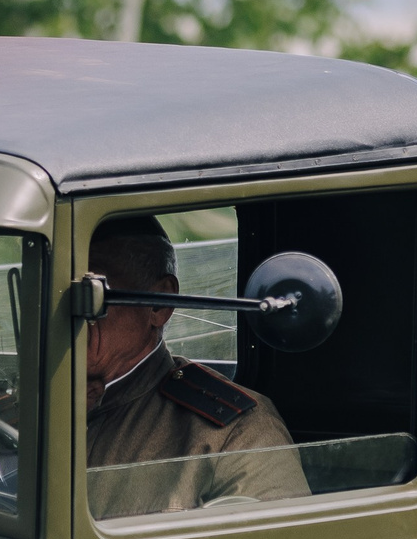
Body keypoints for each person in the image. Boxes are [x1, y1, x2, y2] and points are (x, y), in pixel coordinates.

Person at [78, 216, 309, 517]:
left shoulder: (233, 435)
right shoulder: (16, 410)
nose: (61, 313)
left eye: (90, 295)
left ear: (158, 303)